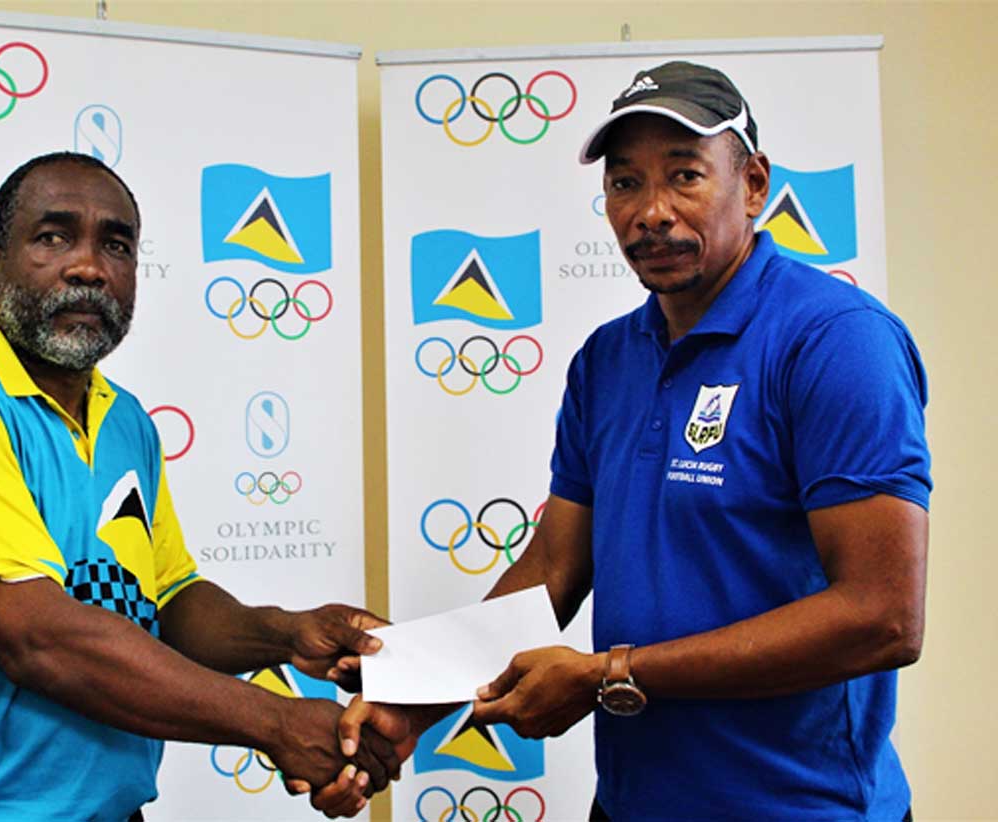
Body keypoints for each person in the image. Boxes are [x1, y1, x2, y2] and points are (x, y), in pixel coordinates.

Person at [334, 61, 931, 821]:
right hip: (630, 804)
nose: (651, 212)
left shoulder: (837, 342)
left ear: (752, 185)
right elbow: (554, 568)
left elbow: (883, 616)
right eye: (625, 184)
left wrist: (609, 673)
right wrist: (412, 700)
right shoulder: (606, 360)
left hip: (805, 809)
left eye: (685, 176)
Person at [0, 151, 406, 821]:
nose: (89, 267)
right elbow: (38, 639)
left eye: (116, 245)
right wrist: (275, 724)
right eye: (53, 237)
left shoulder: (125, 419)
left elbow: (165, 600)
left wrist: (284, 636)